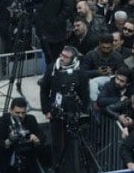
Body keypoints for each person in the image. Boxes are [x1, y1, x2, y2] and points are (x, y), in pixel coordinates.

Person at [41, 45, 90, 173]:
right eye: (62, 55)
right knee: (57, 142)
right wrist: (46, 110)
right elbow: (44, 89)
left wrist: (83, 111)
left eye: (66, 57)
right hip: (56, 111)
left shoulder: (81, 72)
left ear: (73, 59)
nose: (62, 58)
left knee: (73, 143)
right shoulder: (53, 68)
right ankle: (56, 166)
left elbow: (85, 93)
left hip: (73, 111)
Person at [0, 97, 44, 173]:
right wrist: (9, 141)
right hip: (8, 163)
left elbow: (42, 137)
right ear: (11, 110)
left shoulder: (31, 119)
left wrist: (37, 139)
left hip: (28, 163)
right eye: (17, 113)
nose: (20, 116)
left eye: (23, 113)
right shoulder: (1, 122)